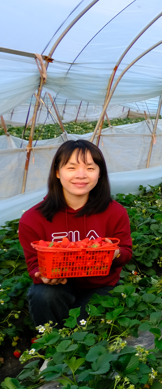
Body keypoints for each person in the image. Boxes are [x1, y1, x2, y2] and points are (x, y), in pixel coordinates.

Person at [20, 140, 133, 327]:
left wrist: (114, 253)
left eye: (90, 168)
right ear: (57, 172)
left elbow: (126, 251)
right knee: (43, 294)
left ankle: (67, 342)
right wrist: (42, 275)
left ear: (99, 173)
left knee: (83, 328)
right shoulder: (33, 219)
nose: (81, 175)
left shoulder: (115, 212)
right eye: (71, 167)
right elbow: (34, 264)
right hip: (59, 285)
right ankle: (51, 345)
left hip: (101, 285)